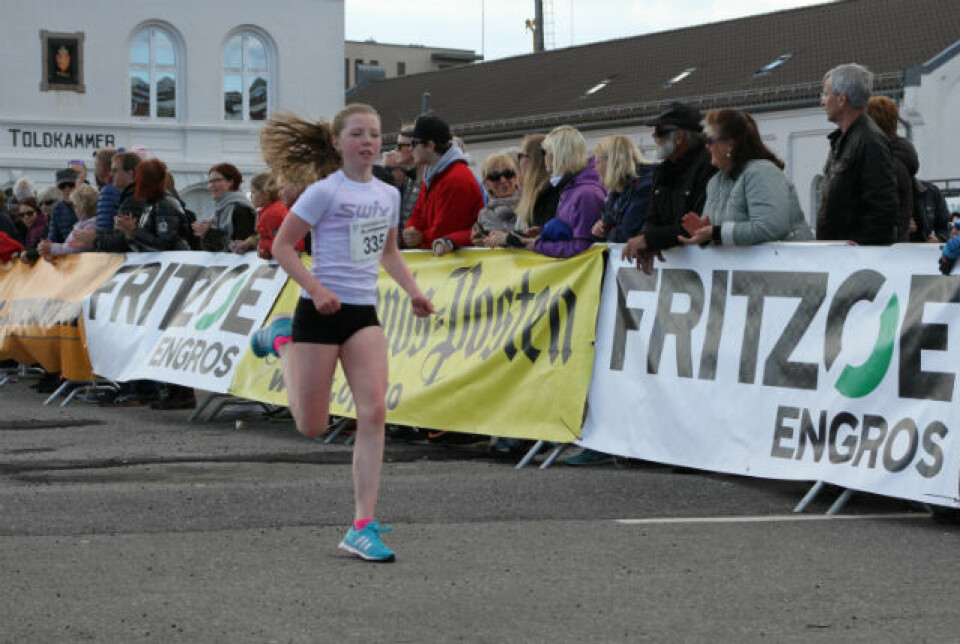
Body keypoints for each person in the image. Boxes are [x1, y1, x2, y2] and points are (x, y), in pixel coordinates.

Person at [249, 104, 434, 563]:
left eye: (374, 134)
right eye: (357, 134)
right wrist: (316, 288)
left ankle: (362, 525)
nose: (368, 142)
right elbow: (282, 246)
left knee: (373, 412)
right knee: (310, 425)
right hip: (317, 312)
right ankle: (283, 339)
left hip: (362, 314)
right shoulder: (323, 192)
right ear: (337, 142)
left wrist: (413, 291)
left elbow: (389, 251)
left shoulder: (389, 193)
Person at [679, 109, 813, 246]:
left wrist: (715, 233)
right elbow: (717, 234)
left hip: (789, 263)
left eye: (709, 140)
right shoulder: (715, 182)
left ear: (729, 144)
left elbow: (771, 227)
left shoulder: (761, 172)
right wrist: (704, 235)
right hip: (745, 266)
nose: (706, 146)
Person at [622, 102, 716, 273]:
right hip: (677, 267)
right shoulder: (662, 170)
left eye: (660, 132)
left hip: (708, 267)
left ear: (679, 137)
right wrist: (646, 240)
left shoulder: (708, 166)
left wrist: (650, 240)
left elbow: (698, 225)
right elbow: (652, 217)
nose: (654, 137)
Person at [817, 63, 899, 245]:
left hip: (855, 263)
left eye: (826, 94)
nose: (823, 101)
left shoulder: (870, 141)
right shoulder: (844, 139)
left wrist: (862, 243)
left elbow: (883, 206)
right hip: (840, 257)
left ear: (841, 100)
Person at [400, 115, 483, 256]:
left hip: (459, 264)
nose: (410, 149)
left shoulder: (456, 178)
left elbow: (443, 232)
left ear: (431, 146)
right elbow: (417, 214)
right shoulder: (432, 173)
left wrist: (419, 238)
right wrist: (410, 231)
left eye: (414, 143)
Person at [522, 125, 605, 258]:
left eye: (545, 152)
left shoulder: (585, 193)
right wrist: (544, 232)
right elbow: (573, 231)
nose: (543, 157)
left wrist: (536, 246)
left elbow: (583, 249)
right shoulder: (571, 187)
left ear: (557, 154)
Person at [591, 135, 655, 243]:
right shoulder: (618, 190)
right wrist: (598, 231)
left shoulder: (644, 186)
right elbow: (606, 224)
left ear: (612, 162)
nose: (595, 168)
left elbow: (628, 233)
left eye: (598, 162)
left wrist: (607, 232)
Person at [192, 163, 257, 252]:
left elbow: (240, 245)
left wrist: (208, 233)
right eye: (210, 182)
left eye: (217, 180)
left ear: (231, 181)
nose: (212, 185)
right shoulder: (220, 209)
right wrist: (205, 234)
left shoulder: (241, 208)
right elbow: (213, 248)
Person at [250, 171, 303, 259]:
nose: (251, 196)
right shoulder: (278, 207)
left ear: (266, 195)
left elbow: (284, 244)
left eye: (253, 192)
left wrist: (262, 246)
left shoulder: (272, 214)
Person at [471, 153, 520, 246]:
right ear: (486, 184)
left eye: (508, 173)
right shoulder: (483, 215)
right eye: (495, 176)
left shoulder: (530, 204)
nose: (503, 180)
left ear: (516, 177)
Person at [38, 184, 99, 258]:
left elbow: (74, 249)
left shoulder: (91, 224)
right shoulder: (82, 223)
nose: (74, 209)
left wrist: (51, 248)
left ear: (83, 206)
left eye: (76, 206)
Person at [93, 148, 123, 235]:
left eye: (95, 165)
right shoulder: (120, 187)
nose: (95, 169)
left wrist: (97, 240)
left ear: (102, 166)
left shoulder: (108, 191)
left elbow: (104, 227)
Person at [47, 168, 79, 244]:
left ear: (77, 186)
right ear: (58, 189)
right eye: (62, 186)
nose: (67, 189)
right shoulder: (56, 209)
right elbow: (52, 238)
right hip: (64, 252)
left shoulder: (87, 204)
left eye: (71, 185)